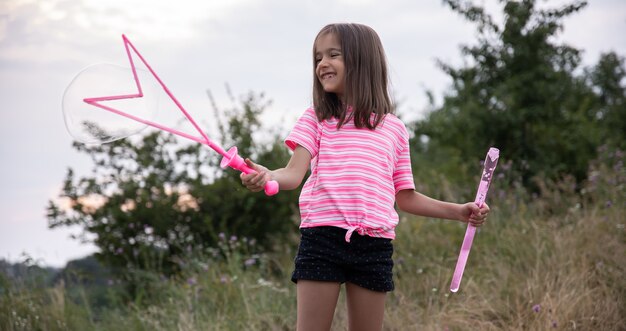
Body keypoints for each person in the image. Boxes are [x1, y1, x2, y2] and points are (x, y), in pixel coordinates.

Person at [240, 23, 490, 331]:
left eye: (333, 55)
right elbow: (292, 174)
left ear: (361, 62)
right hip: (322, 238)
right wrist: (266, 175)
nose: (322, 64)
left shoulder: (394, 129)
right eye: (318, 57)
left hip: (374, 244)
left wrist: (459, 211)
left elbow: (406, 197)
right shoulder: (317, 117)